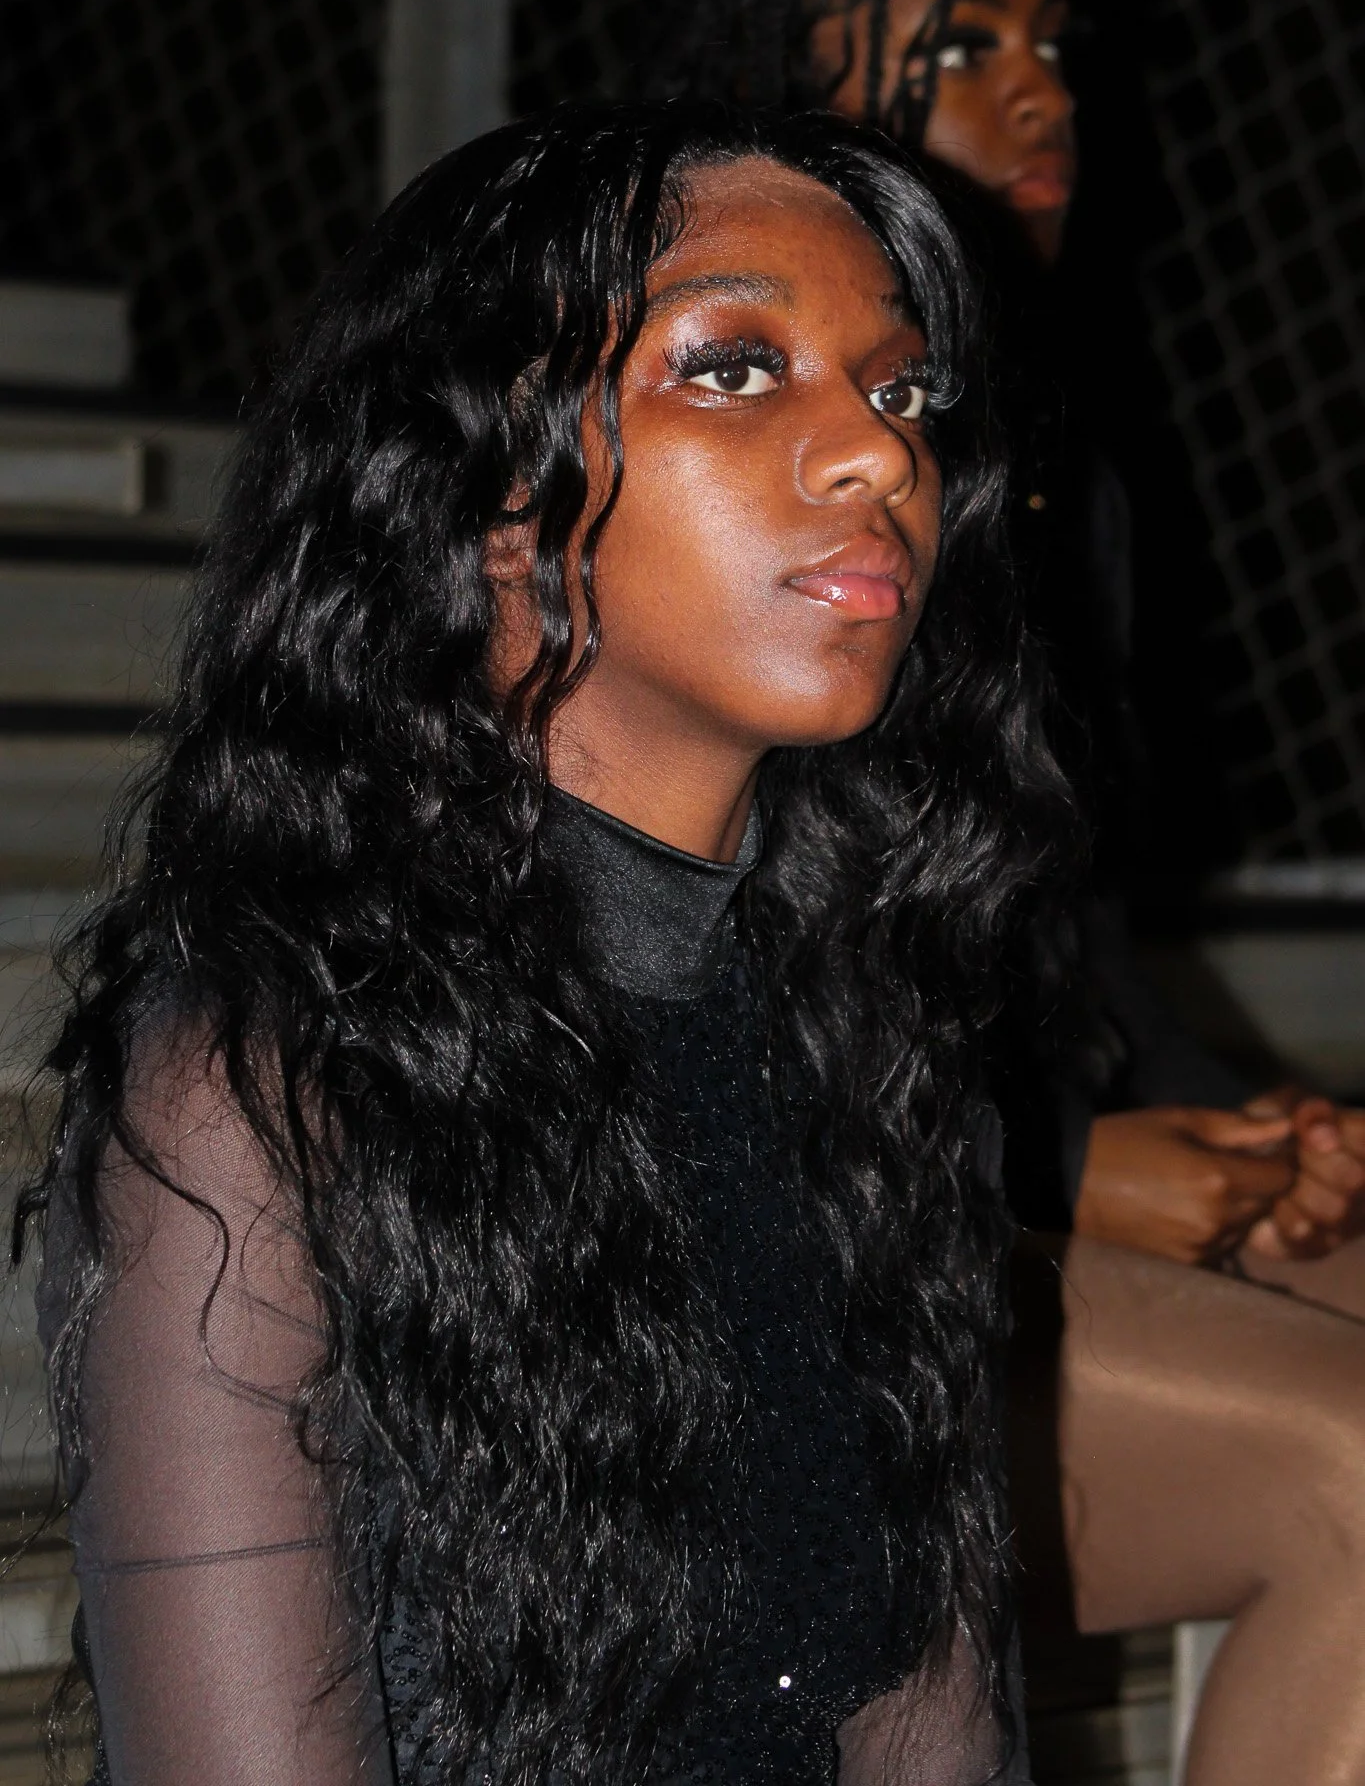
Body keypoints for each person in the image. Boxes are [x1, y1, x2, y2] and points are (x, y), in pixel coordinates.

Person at [19, 100, 1064, 1785]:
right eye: (733, 365)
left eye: (900, 390)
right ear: (488, 481)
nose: (883, 453)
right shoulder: (259, 1094)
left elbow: (933, 1734)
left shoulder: (873, 1057)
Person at [651, 0, 1365, 1786]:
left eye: (1051, 45)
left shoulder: (1055, 481)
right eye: (958, 46)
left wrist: (1247, 1123)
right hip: (791, 1258)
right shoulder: (696, 487)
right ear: (777, 77)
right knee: (1354, 1466)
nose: (1037, 93)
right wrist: (1055, 1177)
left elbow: (1059, 932)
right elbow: (691, 964)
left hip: (981, 1189)